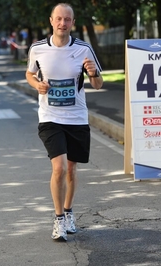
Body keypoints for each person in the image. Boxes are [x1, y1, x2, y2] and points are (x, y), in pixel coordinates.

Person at [25, 3, 103, 242]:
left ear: (72, 22)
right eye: (58, 19)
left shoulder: (84, 49)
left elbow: (99, 84)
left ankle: (68, 212)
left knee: (71, 169)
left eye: (67, 20)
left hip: (77, 118)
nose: (62, 23)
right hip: (50, 118)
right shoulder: (37, 49)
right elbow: (29, 73)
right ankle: (58, 218)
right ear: (51, 21)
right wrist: (36, 84)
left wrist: (92, 74)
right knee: (58, 168)